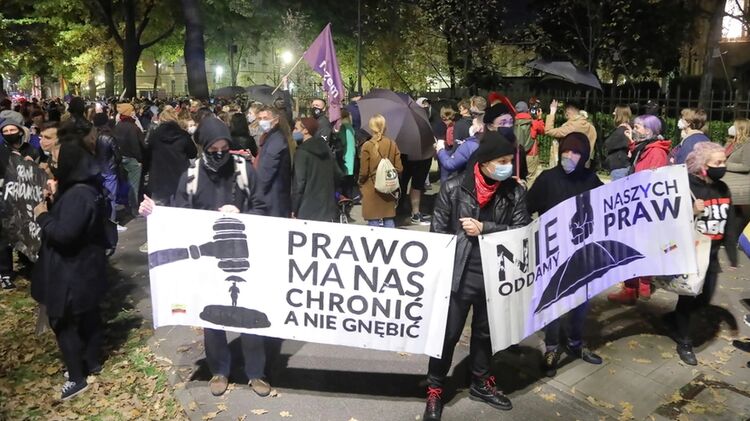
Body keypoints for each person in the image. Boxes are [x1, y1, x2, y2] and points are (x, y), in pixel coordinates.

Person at [138, 117, 271, 397]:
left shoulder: (244, 170)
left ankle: (256, 372)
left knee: (250, 316)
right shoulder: (191, 177)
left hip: (244, 256)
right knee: (212, 318)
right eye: (213, 149)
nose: (220, 154)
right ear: (203, 148)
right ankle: (219, 370)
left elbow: (262, 206)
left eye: (224, 148)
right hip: (208, 263)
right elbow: (179, 215)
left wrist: (242, 215)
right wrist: (155, 213)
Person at [424, 132, 530, 421]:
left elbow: (522, 231)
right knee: (447, 335)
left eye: (510, 161)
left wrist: (486, 228)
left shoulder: (515, 192)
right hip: (459, 274)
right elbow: (438, 233)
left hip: (496, 276)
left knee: (486, 333)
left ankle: (480, 382)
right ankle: (435, 388)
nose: (508, 166)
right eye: (502, 161)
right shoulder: (453, 188)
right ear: (484, 163)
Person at [31, 131, 110, 400]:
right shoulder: (85, 188)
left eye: (56, 158)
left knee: (63, 322)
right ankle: (91, 361)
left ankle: (77, 377)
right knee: (87, 316)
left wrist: (43, 216)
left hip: (71, 271)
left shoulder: (79, 195)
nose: (53, 163)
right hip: (84, 267)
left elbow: (65, 234)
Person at [526, 132, 604, 377]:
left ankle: (575, 342)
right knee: (554, 300)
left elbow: (605, 209)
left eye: (576, 153)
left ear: (585, 156)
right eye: (566, 151)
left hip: (582, 253)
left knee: (581, 301)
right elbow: (527, 208)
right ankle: (551, 347)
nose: (569, 156)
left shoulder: (591, 180)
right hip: (553, 253)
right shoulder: (548, 179)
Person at [664, 142, 737, 365]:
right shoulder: (687, 187)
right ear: (703, 166)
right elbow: (671, 219)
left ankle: (674, 318)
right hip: (692, 253)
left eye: (724, 161)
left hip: (712, 255)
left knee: (705, 298)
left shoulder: (723, 188)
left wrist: (732, 251)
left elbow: (729, 220)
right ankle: (684, 341)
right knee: (688, 297)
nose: (722, 166)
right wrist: (692, 211)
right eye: (717, 162)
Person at [607, 115, 671, 304]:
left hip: (645, 207)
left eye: (637, 127)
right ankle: (632, 287)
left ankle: (640, 286)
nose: (633, 129)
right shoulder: (645, 147)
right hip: (637, 204)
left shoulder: (656, 152)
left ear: (649, 130)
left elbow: (653, 180)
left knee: (640, 246)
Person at [146, 106, 197, 206]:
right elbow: (193, 153)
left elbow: (148, 153)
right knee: (180, 208)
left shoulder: (154, 135)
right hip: (179, 177)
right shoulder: (183, 135)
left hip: (159, 177)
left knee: (158, 209)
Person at [358, 115, 403, 228]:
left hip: (371, 187)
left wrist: (360, 182)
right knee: (389, 219)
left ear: (371, 127)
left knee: (373, 221)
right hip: (388, 186)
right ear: (384, 127)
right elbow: (399, 168)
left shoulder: (367, 145)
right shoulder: (392, 143)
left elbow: (364, 172)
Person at [291, 117, 339, 221]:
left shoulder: (302, 152)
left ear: (305, 130)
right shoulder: (325, 148)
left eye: (296, 128)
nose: (293, 131)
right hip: (327, 207)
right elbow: (337, 174)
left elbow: (299, 183)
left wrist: (294, 208)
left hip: (307, 209)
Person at [255, 106, 292, 218]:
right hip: (272, 197)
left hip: (273, 199)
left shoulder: (277, 139)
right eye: (260, 118)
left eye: (265, 118)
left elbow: (267, 170)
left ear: (276, 120)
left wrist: (256, 194)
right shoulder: (271, 137)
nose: (262, 122)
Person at [113, 102, 145, 217]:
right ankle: (134, 209)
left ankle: (127, 205)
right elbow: (137, 145)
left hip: (121, 158)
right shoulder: (133, 127)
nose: (133, 112)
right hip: (133, 160)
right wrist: (140, 159)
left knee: (126, 183)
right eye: (132, 110)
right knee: (134, 186)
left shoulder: (118, 125)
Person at [545, 100, 597, 168]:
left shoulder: (572, 126)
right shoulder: (591, 127)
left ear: (567, 112)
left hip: (570, 164)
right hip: (585, 164)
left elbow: (548, 130)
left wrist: (552, 112)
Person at [92, 113, 121, 227]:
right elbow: (117, 156)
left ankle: (103, 222)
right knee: (112, 197)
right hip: (110, 170)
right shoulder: (109, 137)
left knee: (100, 198)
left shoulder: (92, 136)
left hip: (97, 170)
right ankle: (112, 223)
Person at [435, 116, 482, 183]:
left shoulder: (470, 145)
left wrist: (440, 150)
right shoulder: (493, 140)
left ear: (479, 128)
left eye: (473, 124)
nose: (471, 127)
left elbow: (450, 164)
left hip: (470, 182)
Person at [514, 101, 545, 183]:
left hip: (516, 154)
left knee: (517, 177)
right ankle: (529, 191)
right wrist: (539, 118)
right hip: (530, 154)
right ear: (528, 110)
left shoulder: (512, 122)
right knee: (531, 177)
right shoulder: (533, 122)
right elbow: (542, 130)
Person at [721, 119, 750, 209]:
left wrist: (725, 164)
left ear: (741, 129)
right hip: (726, 184)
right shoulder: (732, 142)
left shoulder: (747, 145)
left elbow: (746, 167)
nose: (731, 128)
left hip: (737, 187)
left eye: (734, 126)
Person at [603, 105, 633, 180]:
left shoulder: (622, 130)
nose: (613, 113)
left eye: (615, 111)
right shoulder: (627, 128)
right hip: (622, 165)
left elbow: (609, 145)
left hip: (619, 166)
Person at [339, 109, 357, 200]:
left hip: (345, 156)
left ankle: (346, 199)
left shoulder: (343, 127)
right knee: (350, 180)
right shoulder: (350, 126)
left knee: (345, 182)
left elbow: (343, 141)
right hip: (352, 155)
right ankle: (350, 197)